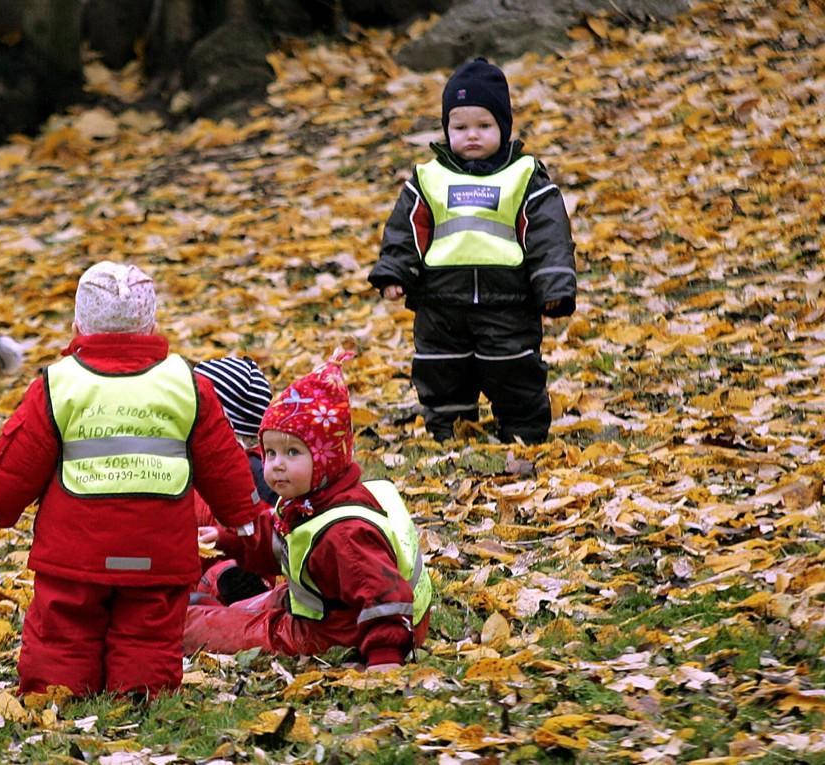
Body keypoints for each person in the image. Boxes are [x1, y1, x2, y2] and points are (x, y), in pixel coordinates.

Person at [0, 261, 263, 698]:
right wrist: (243, 515)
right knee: (149, 627)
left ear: (77, 324)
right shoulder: (185, 385)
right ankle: (141, 693)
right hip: (158, 548)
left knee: (64, 625)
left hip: (76, 550)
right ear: (153, 324)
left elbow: (18, 459)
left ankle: (57, 691)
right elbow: (221, 460)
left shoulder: (60, 384)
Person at [369, 57, 577, 444]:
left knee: (513, 368)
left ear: (504, 126)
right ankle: (450, 430)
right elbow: (406, 229)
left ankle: (524, 430)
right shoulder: (429, 178)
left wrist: (554, 286)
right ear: (446, 128)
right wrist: (394, 272)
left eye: (484, 126)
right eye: (460, 127)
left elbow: (549, 234)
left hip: (508, 301)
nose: (472, 136)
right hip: (439, 303)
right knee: (441, 369)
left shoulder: (524, 175)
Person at [183, 352, 433, 666]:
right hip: (325, 604)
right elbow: (279, 538)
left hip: (335, 630)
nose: (275, 465)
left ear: (327, 457)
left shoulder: (345, 534)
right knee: (242, 609)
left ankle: (196, 618)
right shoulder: (310, 502)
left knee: (195, 628)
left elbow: (382, 596)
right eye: (270, 453)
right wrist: (225, 539)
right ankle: (216, 604)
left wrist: (384, 657)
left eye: (292, 452)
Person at [191, 356, 277, 607]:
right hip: (197, 550)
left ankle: (239, 590)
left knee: (223, 574)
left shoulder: (253, 471)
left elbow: (264, 528)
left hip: (227, 558)